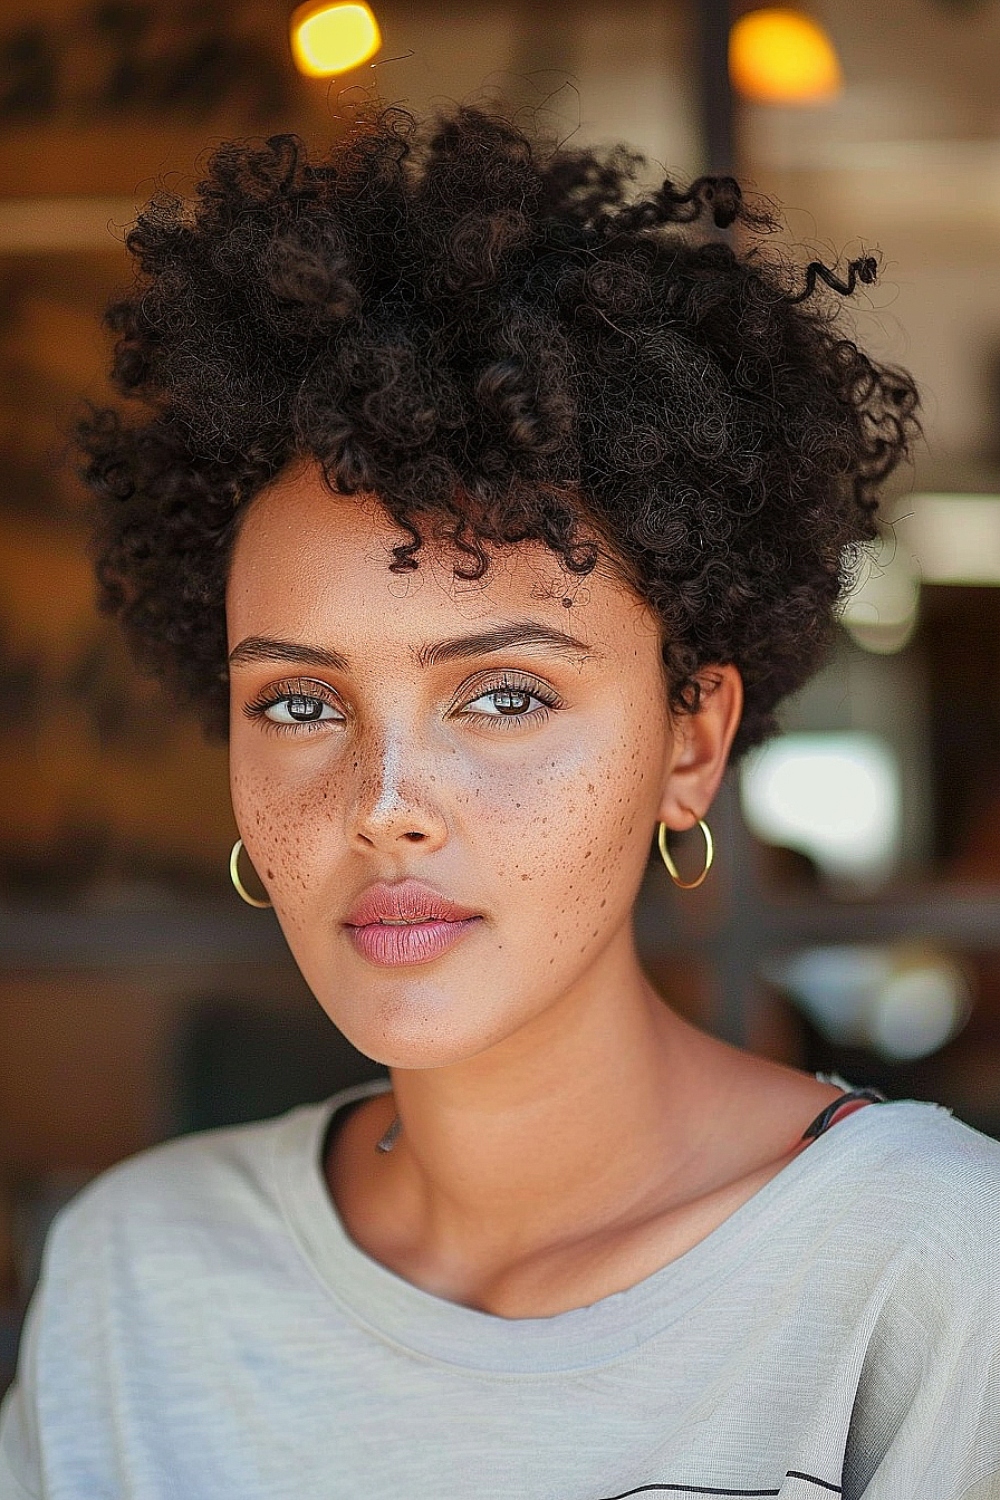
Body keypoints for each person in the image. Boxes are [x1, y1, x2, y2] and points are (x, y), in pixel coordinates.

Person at [1, 103, 997, 1500]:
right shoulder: (139, 1274)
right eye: (298, 704)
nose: (386, 806)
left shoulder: (928, 1276)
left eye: (505, 696)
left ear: (690, 740)